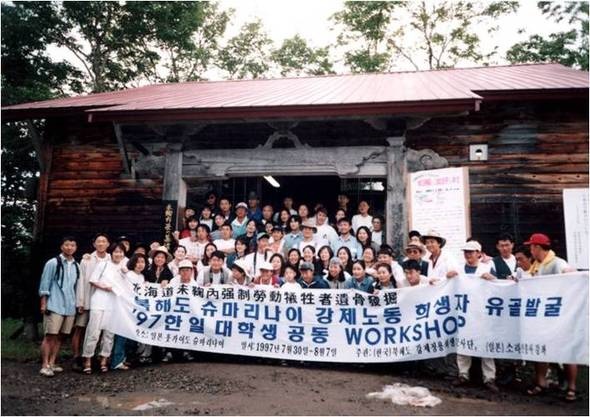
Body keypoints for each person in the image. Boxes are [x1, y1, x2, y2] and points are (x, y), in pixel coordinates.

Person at [523, 233, 577, 401]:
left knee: (568, 352)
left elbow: (567, 272)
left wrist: (570, 272)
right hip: (543, 317)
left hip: (560, 315)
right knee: (540, 349)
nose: (530, 250)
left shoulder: (557, 262)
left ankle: (572, 387)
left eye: (531, 247)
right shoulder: (536, 264)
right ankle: (541, 382)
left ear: (538, 247)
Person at [454, 240, 498, 392]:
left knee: (486, 345)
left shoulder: (487, 268)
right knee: (463, 343)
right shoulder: (458, 269)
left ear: (479, 253)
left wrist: (492, 278)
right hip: (464, 312)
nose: (468, 255)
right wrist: (447, 277)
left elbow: (499, 286)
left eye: (471, 252)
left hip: (482, 313)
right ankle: (463, 374)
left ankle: (489, 378)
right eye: (466, 252)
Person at [82, 242, 127, 374]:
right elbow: (93, 280)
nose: (118, 254)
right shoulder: (103, 264)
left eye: (120, 252)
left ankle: (104, 359)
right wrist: (105, 287)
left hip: (114, 304)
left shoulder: (124, 268)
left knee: (109, 334)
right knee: (93, 332)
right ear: (111, 253)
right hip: (99, 301)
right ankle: (88, 359)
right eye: (116, 252)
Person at [38, 236, 79, 377]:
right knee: (50, 335)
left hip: (69, 306)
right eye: (67, 245)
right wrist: (43, 303)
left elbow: (75, 286)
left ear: (75, 247)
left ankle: (53, 362)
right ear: (62, 246)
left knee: (61, 336)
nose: (70, 248)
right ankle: (45, 364)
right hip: (54, 304)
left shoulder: (76, 265)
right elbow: (45, 283)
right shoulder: (53, 263)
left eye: (72, 245)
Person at [72, 232, 110, 371]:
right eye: (98, 241)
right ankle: (77, 358)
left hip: (103, 302)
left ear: (108, 244)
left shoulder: (111, 259)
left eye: (104, 241)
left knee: (99, 330)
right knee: (80, 329)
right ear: (94, 244)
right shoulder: (87, 259)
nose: (101, 244)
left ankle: (95, 357)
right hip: (88, 300)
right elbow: (81, 281)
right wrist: (80, 302)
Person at [110, 253, 149, 371]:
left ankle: (125, 358)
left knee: (130, 335)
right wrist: (124, 270)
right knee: (121, 335)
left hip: (135, 309)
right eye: (138, 262)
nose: (140, 264)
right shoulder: (127, 273)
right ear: (133, 262)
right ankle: (116, 361)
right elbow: (119, 273)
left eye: (143, 262)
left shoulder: (142, 277)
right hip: (124, 308)